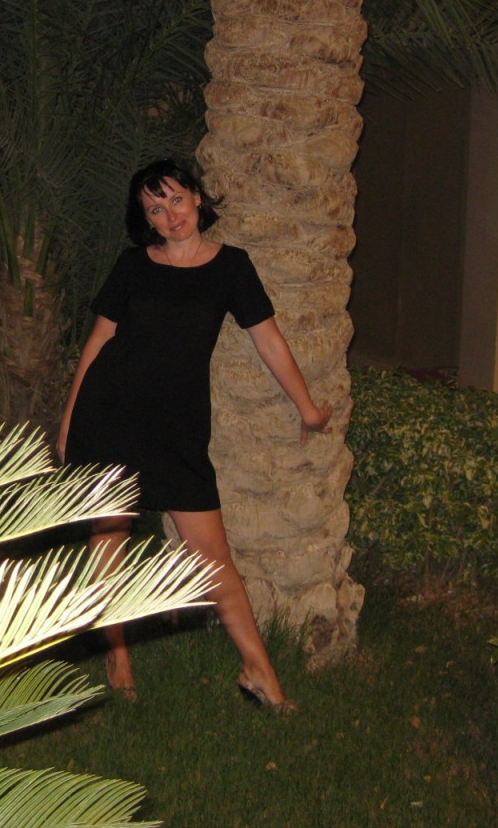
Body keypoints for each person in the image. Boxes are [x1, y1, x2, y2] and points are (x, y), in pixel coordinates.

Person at [56, 158, 332, 713]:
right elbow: (98, 341)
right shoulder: (133, 266)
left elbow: (268, 340)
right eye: (155, 209)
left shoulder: (231, 266)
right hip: (110, 414)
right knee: (110, 535)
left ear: (198, 198)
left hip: (178, 427)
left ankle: (259, 670)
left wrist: (307, 408)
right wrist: (68, 422)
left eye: (176, 199)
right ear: (147, 221)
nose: (170, 215)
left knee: (212, 555)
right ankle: (117, 654)